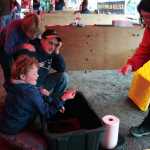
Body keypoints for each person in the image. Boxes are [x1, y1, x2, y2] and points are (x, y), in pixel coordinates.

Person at [0, 55, 76, 134]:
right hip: (15, 127)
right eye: (34, 74)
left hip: (8, 121)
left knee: (43, 100)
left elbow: (27, 95)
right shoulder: (31, 93)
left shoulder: (12, 83)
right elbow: (47, 113)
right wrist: (63, 98)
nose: (38, 75)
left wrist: (40, 91)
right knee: (43, 119)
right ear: (23, 76)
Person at [118, 0, 150, 138]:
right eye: (144, 17)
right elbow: (144, 50)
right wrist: (131, 64)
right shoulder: (149, 29)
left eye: (149, 16)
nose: (146, 20)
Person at [14, 29, 69, 100]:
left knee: (64, 77)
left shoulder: (52, 51)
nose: (52, 47)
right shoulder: (31, 50)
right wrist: (38, 90)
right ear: (42, 40)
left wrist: (57, 51)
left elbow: (61, 68)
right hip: (30, 86)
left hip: (42, 82)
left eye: (56, 44)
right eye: (50, 43)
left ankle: (54, 102)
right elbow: (20, 77)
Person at [0, 12, 40, 86]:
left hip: (18, 44)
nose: (33, 36)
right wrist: (23, 46)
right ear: (24, 29)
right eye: (31, 34)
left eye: (35, 34)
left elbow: (36, 38)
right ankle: (10, 90)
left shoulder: (35, 27)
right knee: (8, 69)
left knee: (21, 65)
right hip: (4, 46)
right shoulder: (13, 29)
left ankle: (21, 86)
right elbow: (8, 49)